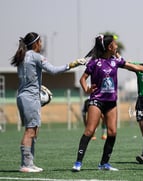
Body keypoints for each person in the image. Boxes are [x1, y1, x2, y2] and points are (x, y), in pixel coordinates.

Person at [72, 34, 143, 172]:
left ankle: (104, 163)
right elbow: (83, 79)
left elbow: (134, 68)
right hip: (97, 100)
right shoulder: (94, 62)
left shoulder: (116, 61)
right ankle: (78, 162)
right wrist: (86, 89)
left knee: (112, 132)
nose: (116, 46)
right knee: (90, 130)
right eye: (115, 44)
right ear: (109, 47)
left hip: (111, 102)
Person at [10, 32, 86, 173]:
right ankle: (25, 164)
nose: (42, 45)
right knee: (30, 131)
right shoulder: (36, 56)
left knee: (34, 130)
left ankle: (30, 162)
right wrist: (72, 64)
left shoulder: (22, 57)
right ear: (35, 44)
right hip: (31, 98)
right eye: (40, 42)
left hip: (22, 96)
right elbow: (53, 71)